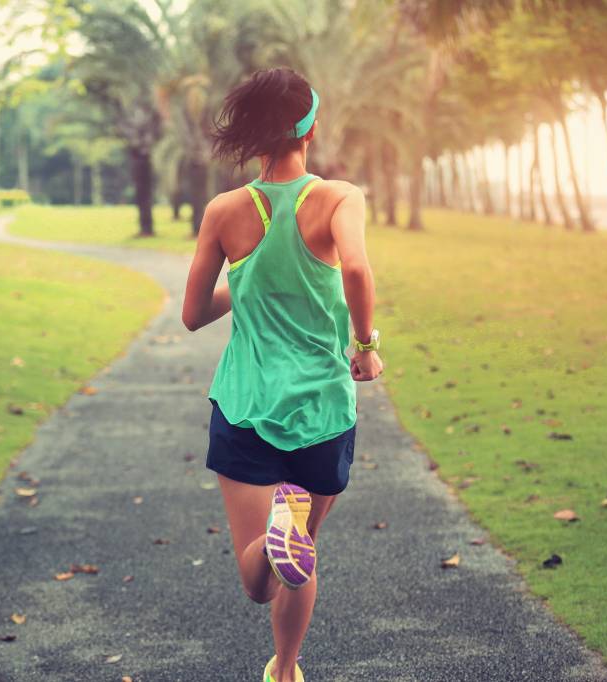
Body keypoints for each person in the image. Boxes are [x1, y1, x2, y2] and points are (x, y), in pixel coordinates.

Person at [181, 67, 384, 682]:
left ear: (255, 136)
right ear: (311, 129)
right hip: (322, 408)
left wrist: (241, 284)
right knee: (302, 552)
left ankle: (275, 538)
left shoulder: (224, 211)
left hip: (246, 406)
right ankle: (287, 669)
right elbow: (355, 269)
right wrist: (366, 344)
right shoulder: (339, 198)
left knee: (258, 580)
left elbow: (192, 316)